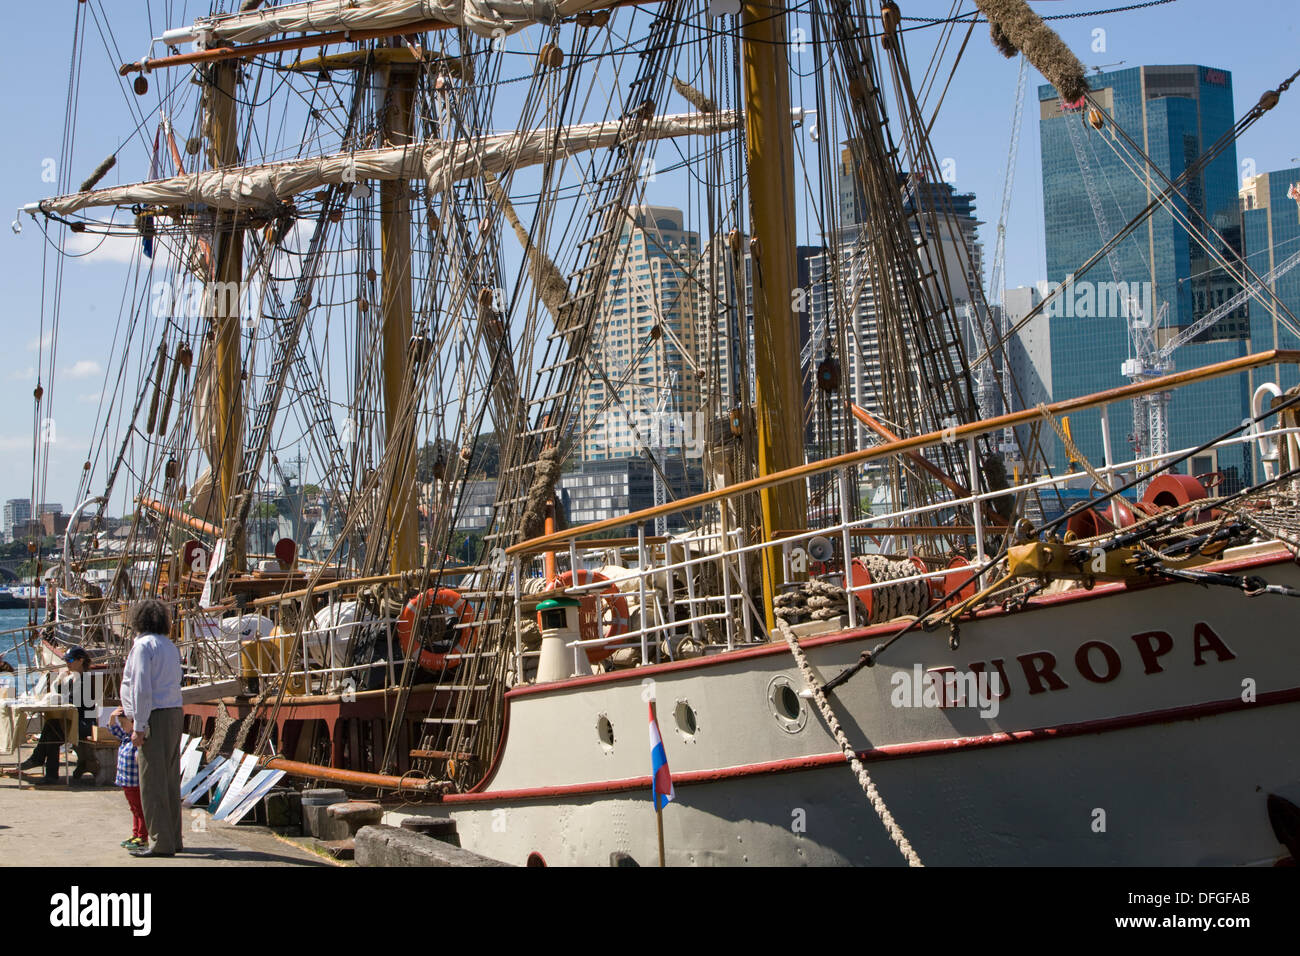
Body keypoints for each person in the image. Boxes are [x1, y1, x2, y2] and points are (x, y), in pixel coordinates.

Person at [119, 599, 184, 858]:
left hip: (154, 716)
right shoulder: (169, 646)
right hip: (174, 712)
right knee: (169, 781)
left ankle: (160, 842)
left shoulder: (143, 646)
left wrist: (139, 725)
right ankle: (174, 838)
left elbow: (141, 688)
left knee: (151, 783)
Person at [18, 646, 100, 784]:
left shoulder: (85, 680)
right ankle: (44, 767)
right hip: (71, 720)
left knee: (53, 732)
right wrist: (59, 680)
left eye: (70, 660)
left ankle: (40, 763)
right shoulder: (72, 678)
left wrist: (62, 696)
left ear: (80, 661)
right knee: (52, 726)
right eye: (66, 660)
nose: (67, 662)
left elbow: (76, 705)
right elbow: (58, 692)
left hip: (83, 723)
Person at [107, 707, 147, 848]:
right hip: (126, 781)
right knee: (134, 809)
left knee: (140, 809)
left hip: (135, 782)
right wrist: (112, 717)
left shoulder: (137, 741)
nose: (122, 726)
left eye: (124, 723)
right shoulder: (125, 738)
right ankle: (136, 833)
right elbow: (113, 729)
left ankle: (142, 836)